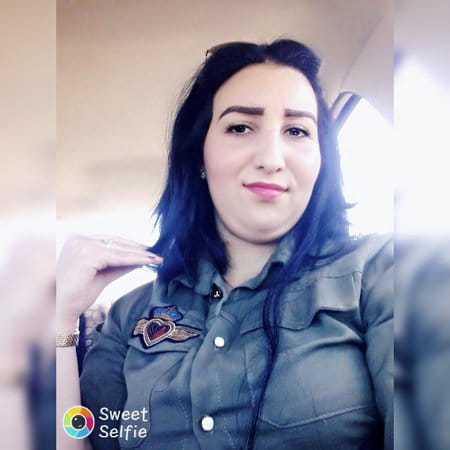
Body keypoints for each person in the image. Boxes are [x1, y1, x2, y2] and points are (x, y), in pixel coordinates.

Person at [56, 39, 393, 450]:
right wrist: (59, 320)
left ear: (322, 160)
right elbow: (80, 436)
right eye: (240, 127)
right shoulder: (130, 314)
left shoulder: (380, 273)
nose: (271, 158)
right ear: (199, 154)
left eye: (297, 130)